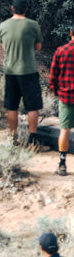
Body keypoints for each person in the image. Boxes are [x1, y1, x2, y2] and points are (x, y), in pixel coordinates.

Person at [0, 0, 44, 146]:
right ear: (26, 9)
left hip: (11, 70)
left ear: (12, 8)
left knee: (12, 106)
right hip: (29, 70)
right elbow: (37, 47)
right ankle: (33, 138)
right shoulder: (33, 25)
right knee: (32, 106)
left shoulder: (3, 26)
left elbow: (4, 47)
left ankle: (13, 137)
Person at [50, 28, 74, 176]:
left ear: (71, 33)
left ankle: (62, 163)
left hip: (66, 96)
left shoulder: (61, 50)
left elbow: (53, 76)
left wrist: (56, 92)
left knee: (64, 130)